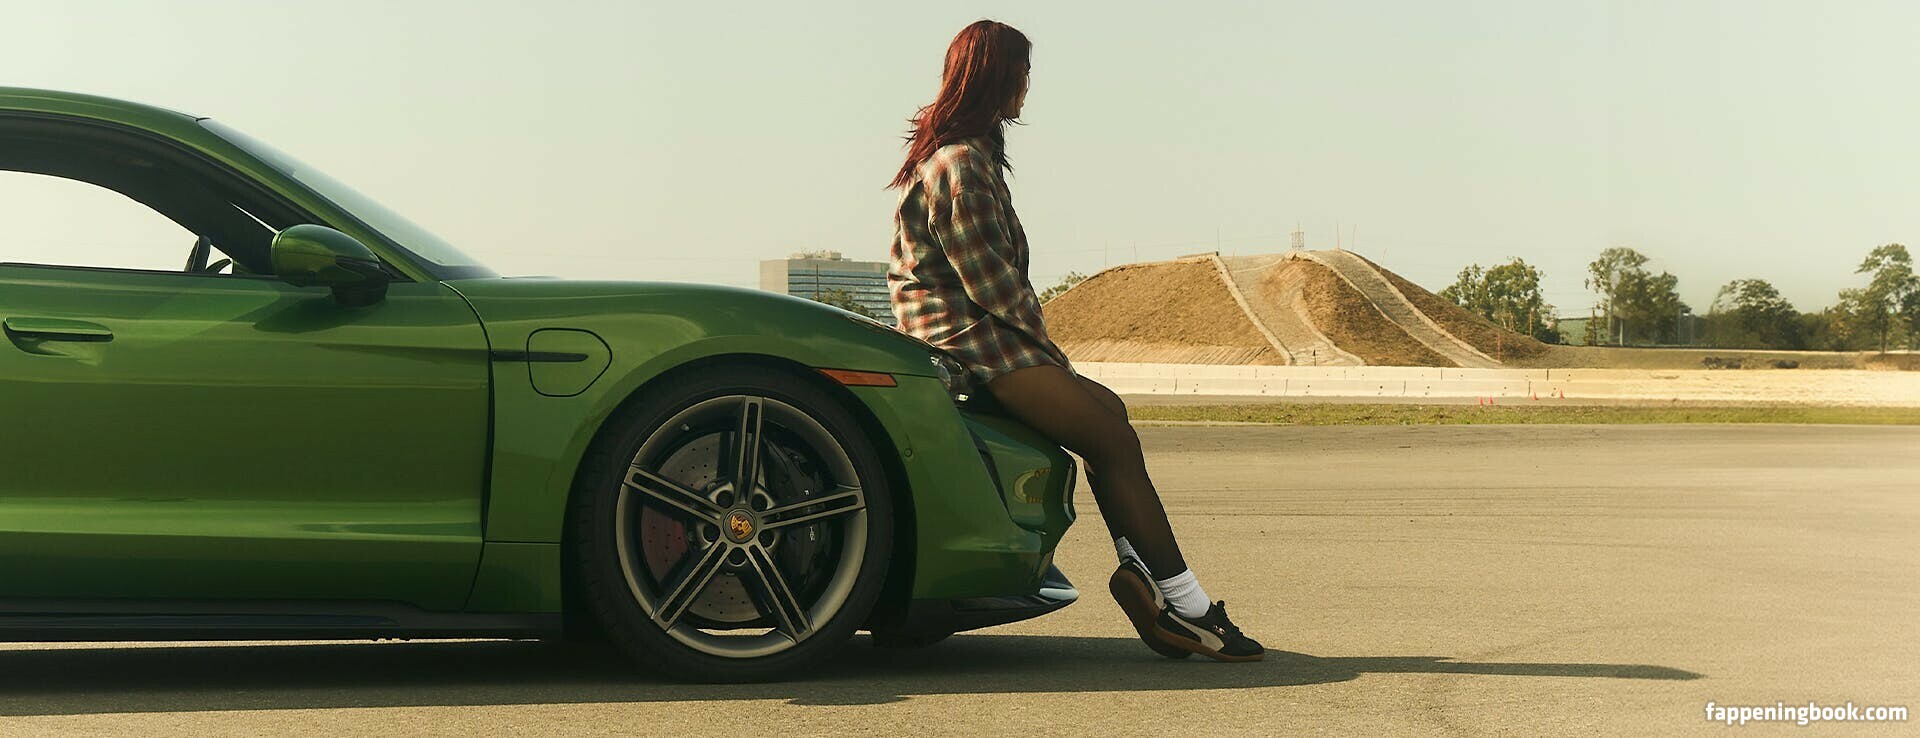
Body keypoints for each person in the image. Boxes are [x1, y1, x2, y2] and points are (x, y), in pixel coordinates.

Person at [884, 19, 1263, 662]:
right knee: (1111, 438)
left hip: (982, 337)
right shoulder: (961, 165)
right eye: (1023, 73)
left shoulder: (967, 157)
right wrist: (1052, 358)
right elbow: (994, 286)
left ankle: (1147, 582)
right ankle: (1186, 603)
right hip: (970, 344)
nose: (1028, 87)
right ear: (997, 77)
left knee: (1109, 414)